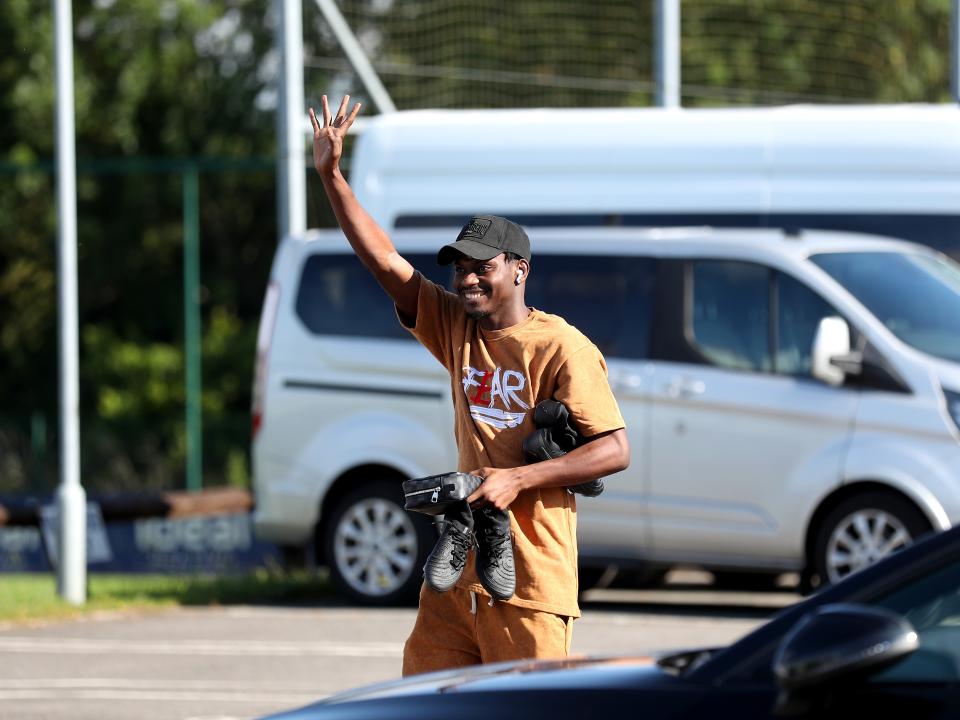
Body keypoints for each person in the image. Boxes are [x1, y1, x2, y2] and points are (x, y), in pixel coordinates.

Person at [309, 95, 630, 676]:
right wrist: (331, 176)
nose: (467, 276)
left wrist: (521, 477)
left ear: (518, 270)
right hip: (458, 579)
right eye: (460, 266)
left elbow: (615, 449)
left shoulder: (562, 346)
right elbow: (383, 260)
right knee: (420, 703)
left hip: (530, 580)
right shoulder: (455, 322)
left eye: (482, 265)